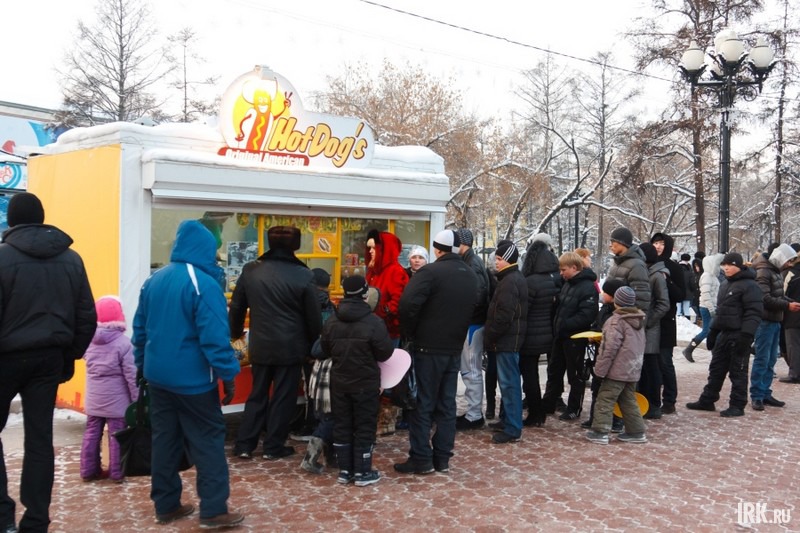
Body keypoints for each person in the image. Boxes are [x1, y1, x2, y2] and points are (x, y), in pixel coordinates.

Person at [132, 219, 243, 528]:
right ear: (207, 249)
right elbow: (214, 340)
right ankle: (214, 509)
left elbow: (139, 331)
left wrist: (142, 366)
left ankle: (166, 505)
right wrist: (228, 374)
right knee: (207, 442)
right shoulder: (203, 284)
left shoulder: (154, 280)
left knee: (165, 440)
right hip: (194, 382)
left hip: (158, 378)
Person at [0, 192, 97, 533]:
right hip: (49, 360)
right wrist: (70, 355)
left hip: (6, 359)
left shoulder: (2, 258)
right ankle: (36, 519)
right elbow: (87, 316)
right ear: (41, 218)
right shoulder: (71, 259)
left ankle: (2, 517)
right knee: (40, 438)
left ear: (10, 221)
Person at [230, 226, 322, 460]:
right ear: (296, 246)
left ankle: (244, 444)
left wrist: (235, 332)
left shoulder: (251, 270)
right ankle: (273, 446)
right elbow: (313, 317)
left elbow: (238, 306)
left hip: (260, 343)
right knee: (283, 396)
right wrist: (315, 346)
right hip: (291, 346)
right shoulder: (304, 275)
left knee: (257, 393)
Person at [394, 230, 477, 474]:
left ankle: (421, 458)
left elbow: (407, 304)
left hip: (427, 347)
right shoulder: (469, 274)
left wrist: (411, 333)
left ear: (437, 250)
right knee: (446, 405)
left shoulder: (430, 273)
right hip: (453, 347)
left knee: (423, 404)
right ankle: (442, 457)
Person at [321, 275, 395, 486]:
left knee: (342, 424)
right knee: (364, 425)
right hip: (366, 383)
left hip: (340, 382)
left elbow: (325, 349)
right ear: (364, 294)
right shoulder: (374, 322)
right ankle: (363, 472)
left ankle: (345, 471)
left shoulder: (332, 321)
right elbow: (384, 353)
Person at [686, 253, 763, 418]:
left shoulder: (751, 286)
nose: (726, 268)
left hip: (740, 335)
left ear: (739, 265)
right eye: (724, 265)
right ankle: (708, 399)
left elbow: (754, 313)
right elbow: (721, 312)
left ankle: (737, 405)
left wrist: (747, 335)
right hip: (724, 333)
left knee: (738, 372)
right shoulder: (725, 284)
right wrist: (713, 331)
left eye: (730, 265)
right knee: (716, 369)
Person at [80, 296, 138, 483]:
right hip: (117, 402)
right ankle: (117, 472)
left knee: (91, 433)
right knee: (117, 435)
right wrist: (136, 400)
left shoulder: (88, 340)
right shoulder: (124, 344)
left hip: (94, 399)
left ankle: (88, 471)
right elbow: (131, 375)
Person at [585, 286, 648, 444]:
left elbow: (609, 349)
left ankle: (600, 432)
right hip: (632, 368)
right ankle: (636, 431)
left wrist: (600, 370)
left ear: (617, 302)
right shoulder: (638, 321)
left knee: (605, 398)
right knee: (628, 399)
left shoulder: (615, 322)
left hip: (616, 370)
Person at [543, 252, 599, 421]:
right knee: (554, 371)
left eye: (563, 269)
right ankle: (548, 404)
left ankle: (574, 408)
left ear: (574, 268)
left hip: (575, 338)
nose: (561, 273)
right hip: (561, 336)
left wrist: (564, 324)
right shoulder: (568, 284)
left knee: (575, 375)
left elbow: (587, 315)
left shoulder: (587, 287)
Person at [484, 240, 528, 443]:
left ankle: (512, 427)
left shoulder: (510, 281)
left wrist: (490, 336)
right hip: (508, 339)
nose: (496, 263)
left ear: (508, 260)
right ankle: (509, 421)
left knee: (509, 385)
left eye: (500, 259)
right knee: (508, 383)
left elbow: (504, 315)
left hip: (507, 341)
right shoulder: (510, 279)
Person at [750, 244, 800, 410]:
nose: (789, 265)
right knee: (762, 359)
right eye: (788, 261)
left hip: (774, 320)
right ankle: (757, 395)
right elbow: (765, 298)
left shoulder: (774, 271)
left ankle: (765, 392)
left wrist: (789, 301)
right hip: (765, 321)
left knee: (770, 360)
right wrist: (787, 306)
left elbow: (778, 294)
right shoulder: (764, 271)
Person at [520, 233, 561, 427]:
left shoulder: (530, 282)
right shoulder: (553, 280)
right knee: (535, 374)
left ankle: (535, 413)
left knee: (529, 376)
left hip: (530, 335)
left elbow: (523, 310)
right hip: (547, 332)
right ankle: (539, 411)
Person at [300, 268, 336, 474]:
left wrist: (308, 353)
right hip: (333, 365)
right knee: (333, 414)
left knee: (324, 412)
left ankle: (317, 456)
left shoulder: (304, 302)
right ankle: (328, 457)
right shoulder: (332, 308)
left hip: (316, 362)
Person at [455, 229, 490, 430]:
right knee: (470, 368)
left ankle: (474, 414)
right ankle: (473, 412)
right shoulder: (471, 261)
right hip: (472, 322)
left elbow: (477, 295)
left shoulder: (471, 264)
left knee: (471, 369)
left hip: (472, 323)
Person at [581, 279, 626, 432]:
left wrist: (600, 336)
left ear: (613, 295)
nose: (602, 294)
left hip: (613, 358)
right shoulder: (605, 309)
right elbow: (597, 324)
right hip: (600, 352)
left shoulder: (618, 315)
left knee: (612, 391)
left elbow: (614, 336)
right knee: (597, 386)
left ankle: (616, 420)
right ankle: (595, 417)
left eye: (605, 292)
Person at [649, 232, 685, 416]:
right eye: (655, 242)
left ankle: (669, 400)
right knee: (650, 363)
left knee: (665, 362)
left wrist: (666, 280)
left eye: (662, 243)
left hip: (666, 321)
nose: (658, 246)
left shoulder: (673, 268)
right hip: (649, 321)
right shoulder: (647, 264)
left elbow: (681, 295)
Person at [636, 242, 669, 419]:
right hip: (642, 327)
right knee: (642, 369)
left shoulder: (656, 275)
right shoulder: (644, 272)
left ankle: (654, 404)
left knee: (651, 367)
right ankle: (644, 402)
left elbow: (664, 303)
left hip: (650, 329)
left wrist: (649, 321)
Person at [684, 254, 724, 362]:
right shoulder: (707, 276)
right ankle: (689, 349)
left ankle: (715, 354)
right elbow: (706, 293)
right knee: (707, 331)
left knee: (712, 331)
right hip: (707, 307)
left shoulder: (712, 276)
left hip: (711, 306)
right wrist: (711, 308)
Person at [606, 227, 651, 314]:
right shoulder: (617, 262)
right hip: (613, 317)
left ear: (622, 243)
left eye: (612, 242)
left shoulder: (637, 266)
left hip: (625, 321)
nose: (610, 245)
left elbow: (641, 300)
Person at [780, 249, 800, 384]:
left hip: (792, 314)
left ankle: (795, 373)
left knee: (793, 345)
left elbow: (781, 292)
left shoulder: (790, 273)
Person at [678, 253, 697, 322]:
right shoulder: (689, 271)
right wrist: (693, 290)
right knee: (686, 308)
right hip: (688, 292)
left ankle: (678, 321)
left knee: (678, 307)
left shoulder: (676, 268)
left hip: (678, 291)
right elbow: (692, 283)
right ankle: (687, 322)